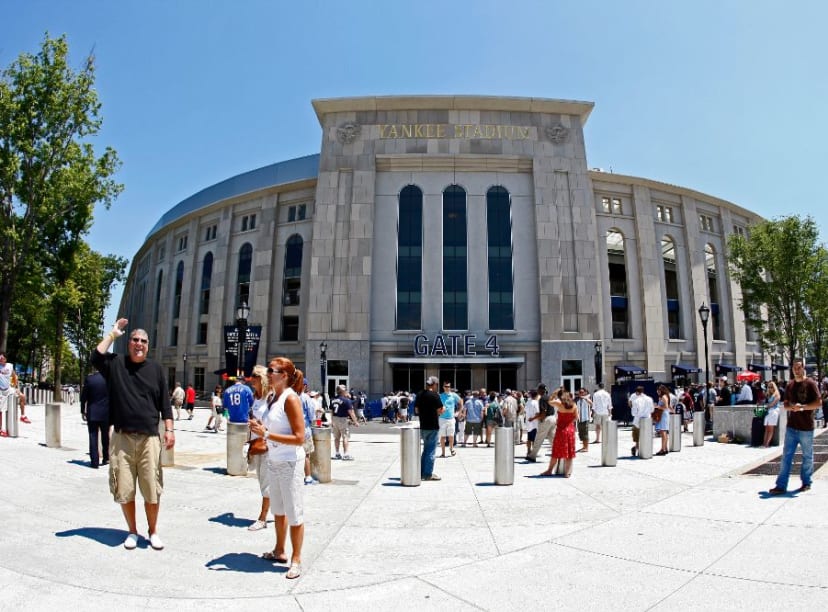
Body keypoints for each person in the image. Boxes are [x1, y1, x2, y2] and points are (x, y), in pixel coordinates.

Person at [91, 319, 174, 551]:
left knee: (151, 488)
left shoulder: (156, 369)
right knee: (124, 487)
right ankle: (132, 531)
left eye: (144, 341)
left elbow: (165, 405)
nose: (139, 344)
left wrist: (169, 429)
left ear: (148, 346)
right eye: (135, 340)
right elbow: (95, 357)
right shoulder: (116, 364)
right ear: (129, 344)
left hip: (149, 439)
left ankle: (153, 530)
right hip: (122, 438)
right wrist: (113, 334)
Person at [249, 357, 307, 579]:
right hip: (273, 459)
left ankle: (296, 558)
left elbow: (300, 437)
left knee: (294, 512)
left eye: (272, 370)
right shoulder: (273, 397)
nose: (268, 374)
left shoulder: (291, 399)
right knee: (279, 511)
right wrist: (259, 428)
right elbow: (272, 425)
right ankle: (279, 550)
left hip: (290, 462)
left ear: (283, 375)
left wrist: (266, 434)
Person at [769, 359, 821, 495]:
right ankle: (781, 485)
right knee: (786, 456)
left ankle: (806, 482)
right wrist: (792, 407)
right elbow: (785, 404)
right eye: (794, 368)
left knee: (807, 456)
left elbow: (818, 403)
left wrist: (803, 407)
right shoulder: (790, 385)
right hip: (791, 427)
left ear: (803, 368)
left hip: (806, 428)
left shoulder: (810, 383)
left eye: (799, 368)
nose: (796, 370)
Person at [247, 366, 271, 531]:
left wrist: (263, 427)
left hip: (269, 446)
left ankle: (262, 518)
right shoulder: (256, 398)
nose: (251, 379)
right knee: (264, 482)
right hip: (256, 444)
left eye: (254, 376)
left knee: (266, 484)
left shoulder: (272, 398)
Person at [540, 389, 575, 477]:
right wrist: (569, 422)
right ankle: (567, 473)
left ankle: (549, 470)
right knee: (569, 453)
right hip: (570, 430)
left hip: (561, 430)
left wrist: (554, 393)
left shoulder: (559, 404)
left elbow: (550, 401)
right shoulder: (574, 406)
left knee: (556, 452)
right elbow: (576, 418)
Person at [80, 366, 110, 469]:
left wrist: (82, 410)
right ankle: (106, 457)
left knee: (93, 436)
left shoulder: (90, 379)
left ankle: (94, 461)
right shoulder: (109, 379)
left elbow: (83, 397)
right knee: (105, 436)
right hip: (106, 413)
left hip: (92, 412)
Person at [415, 376, 444, 481]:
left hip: (423, 426)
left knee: (425, 450)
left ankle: (421, 472)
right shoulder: (435, 395)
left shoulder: (419, 394)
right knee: (431, 451)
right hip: (433, 426)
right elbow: (440, 410)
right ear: (435, 384)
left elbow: (417, 410)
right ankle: (427, 474)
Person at [526, 383, 557, 463]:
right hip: (553, 418)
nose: (537, 391)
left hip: (546, 419)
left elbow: (543, 412)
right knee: (552, 438)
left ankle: (532, 456)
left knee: (539, 438)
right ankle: (558, 454)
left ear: (541, 390)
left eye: (538, 389)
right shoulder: (549, 397)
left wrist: (534, 418)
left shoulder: (542, 398)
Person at [330, 385, 358, 460]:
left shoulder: (333, 400)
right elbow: (351, 412)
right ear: (342, 391)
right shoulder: (346, 401)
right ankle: (345, 454)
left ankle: (337, 453)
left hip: (335, 419)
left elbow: (331, 411)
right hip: (343, 419)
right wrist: (355, 421)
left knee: (336, 438)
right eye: (345, 389)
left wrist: (332, 421)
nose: (346, 390)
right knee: (345, 437)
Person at [299, 379, 317, 485]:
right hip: (304, 430)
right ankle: (308, 477)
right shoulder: (306, 398)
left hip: (291, 431)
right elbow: (312, 416)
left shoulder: (288, 396)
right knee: (306, 455)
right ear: (304, 386)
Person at [629, 386, 654, 457]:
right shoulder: (650, 399)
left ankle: (636, 448)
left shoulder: (636, 400)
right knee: (645, 436)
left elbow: (633, 413)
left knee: (637, 437)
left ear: (637, 392)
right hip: (647, 421)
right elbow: (652, 410)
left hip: (638, 421)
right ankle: (644, 451)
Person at [438, 382, 461, 457]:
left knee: (451, 436)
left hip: (451, 418)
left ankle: (451, 449)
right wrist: (439, 411)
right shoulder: (440, 396)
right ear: (443, 387)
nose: (447, 388)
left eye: (449, 386)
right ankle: (443, 453)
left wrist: (458, 412)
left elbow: (461, 401)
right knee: (443, 436)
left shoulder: (453, 395)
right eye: (446, 386)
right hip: (442, 418)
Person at [654, 384, 672, 456]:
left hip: (663, 415)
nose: (657, 391)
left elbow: (666, 407)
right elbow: (669, 406)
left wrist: (657, 406)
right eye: (657, 390)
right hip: (664, 415)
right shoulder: (664, 396)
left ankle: (663, 449)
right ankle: (665, 448)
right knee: (664, 432)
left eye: (659, 390)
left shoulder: (664, 397)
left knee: (663, 432)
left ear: (662, 390)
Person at [762, 381, 781, 448]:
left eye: (771, 387)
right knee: (766, 428)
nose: (770, 388)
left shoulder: (777, 394)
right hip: (769, 411)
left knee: (770, 428)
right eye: (769, 387)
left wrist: (767, 406)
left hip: (774, 411)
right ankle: (764, 443)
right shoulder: (769, 394)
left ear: (774, 387)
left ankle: (767, 443)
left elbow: (774, 403)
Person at [0, 352, 14, 436]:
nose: (0, 360)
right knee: (0, 409)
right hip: (0, 390)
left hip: (8, 388)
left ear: (5, 359)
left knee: (22, 396)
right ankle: (1, 429)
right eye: (0, 358)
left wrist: (15, 386)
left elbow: (14, 376)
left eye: (2, 358)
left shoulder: (9, 366)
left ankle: (23, 416)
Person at [575, 388, 592, 452]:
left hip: (585, 419)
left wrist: (585, 398)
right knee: (581, 433)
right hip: (579, 419)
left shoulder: (587, 399)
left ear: (585, 392)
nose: (580, 393)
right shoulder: (578, 400)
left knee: (585, 433)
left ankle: (586, 447)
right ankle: (584, 447)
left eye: (582, 392)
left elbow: (591, 404)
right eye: (580, 392)